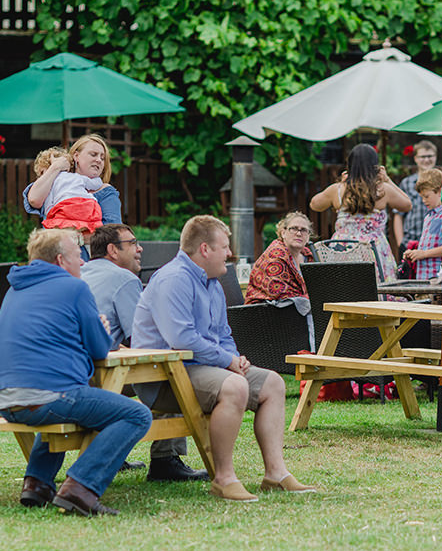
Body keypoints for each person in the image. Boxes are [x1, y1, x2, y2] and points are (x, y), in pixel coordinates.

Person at [131, 215, 316, 502]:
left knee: (273, 384)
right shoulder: (173, 279)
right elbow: (182, 339)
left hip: (202, 369)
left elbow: (222, 333)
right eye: (224, 247)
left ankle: (276, 474)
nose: (229, 254)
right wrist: (227, 362)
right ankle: (224, 478)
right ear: (204, 249)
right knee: (235, 386)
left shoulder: (211, 283)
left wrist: (234, 358)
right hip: (164, 376)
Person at [0, 228, 152, 516]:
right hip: (47, 396)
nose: (83, 262)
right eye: (78, 256)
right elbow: (100, 350)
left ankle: (37, 484)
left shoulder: (14, 289)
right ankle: (80, 488)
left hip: (4, 398)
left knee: (72, 406)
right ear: (60, 260)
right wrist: (102, 330)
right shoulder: (74, 288)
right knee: (137, 414)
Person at [81, 224, 210, 482]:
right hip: (99, 372)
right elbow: (142, 339)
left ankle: (113, 454)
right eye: (132, 243)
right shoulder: (124, 279)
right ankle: (165, 460)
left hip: (75, 371)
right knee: (168, 374)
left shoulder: (79, 273)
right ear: (112, 251)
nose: (140, 249)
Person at [309, 143, 411, 283]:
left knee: (346, 288)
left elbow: (314, 204)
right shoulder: (383, 190)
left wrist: (340, 183)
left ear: (350, 165)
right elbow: (407, 205)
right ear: (375, 166)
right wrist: (388, 180)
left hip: (343, 247)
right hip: (373, 247)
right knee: (374, 287)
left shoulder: (338, 190)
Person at [22, 134, 122, 242]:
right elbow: (34, 200)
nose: (99, 160)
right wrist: (55, 167)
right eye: (93, 154)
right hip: (53, 254)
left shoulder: (105, 191)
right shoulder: (57, 183)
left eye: (102, 158)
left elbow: (113, 234)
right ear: (76, 156)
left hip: (87, 256)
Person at [403, 168, 442, 280]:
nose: (424, 201)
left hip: (439, 277)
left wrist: (424, 254)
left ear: (440, 191)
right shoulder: (428, 216)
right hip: (423, 276)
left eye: (427, 196)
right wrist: (414, 253)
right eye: (422, 197)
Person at [30, 146, 104, 233]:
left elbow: (49, 207)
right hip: (88, 206)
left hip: (66, 209)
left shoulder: (51, 184)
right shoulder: (77, 177)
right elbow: (96, 184)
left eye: (42, 172)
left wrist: (50, 215)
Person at [245, 211, 313, 303]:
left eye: (304, 230)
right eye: (294, 228)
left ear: (308, 236)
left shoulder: (309, 256)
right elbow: (280, 295)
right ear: (283, 233)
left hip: (298, 310)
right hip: (266, 312)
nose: (299, 234)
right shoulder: (275, 255)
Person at [392, 139, 437, 254]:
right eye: (422, 157)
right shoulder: (406, 183)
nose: (426, 160)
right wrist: (400, 242)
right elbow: (398, 215)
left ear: (435, 157)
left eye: (430, 156)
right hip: (411, 241)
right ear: (416, 159)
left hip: (436, 242)